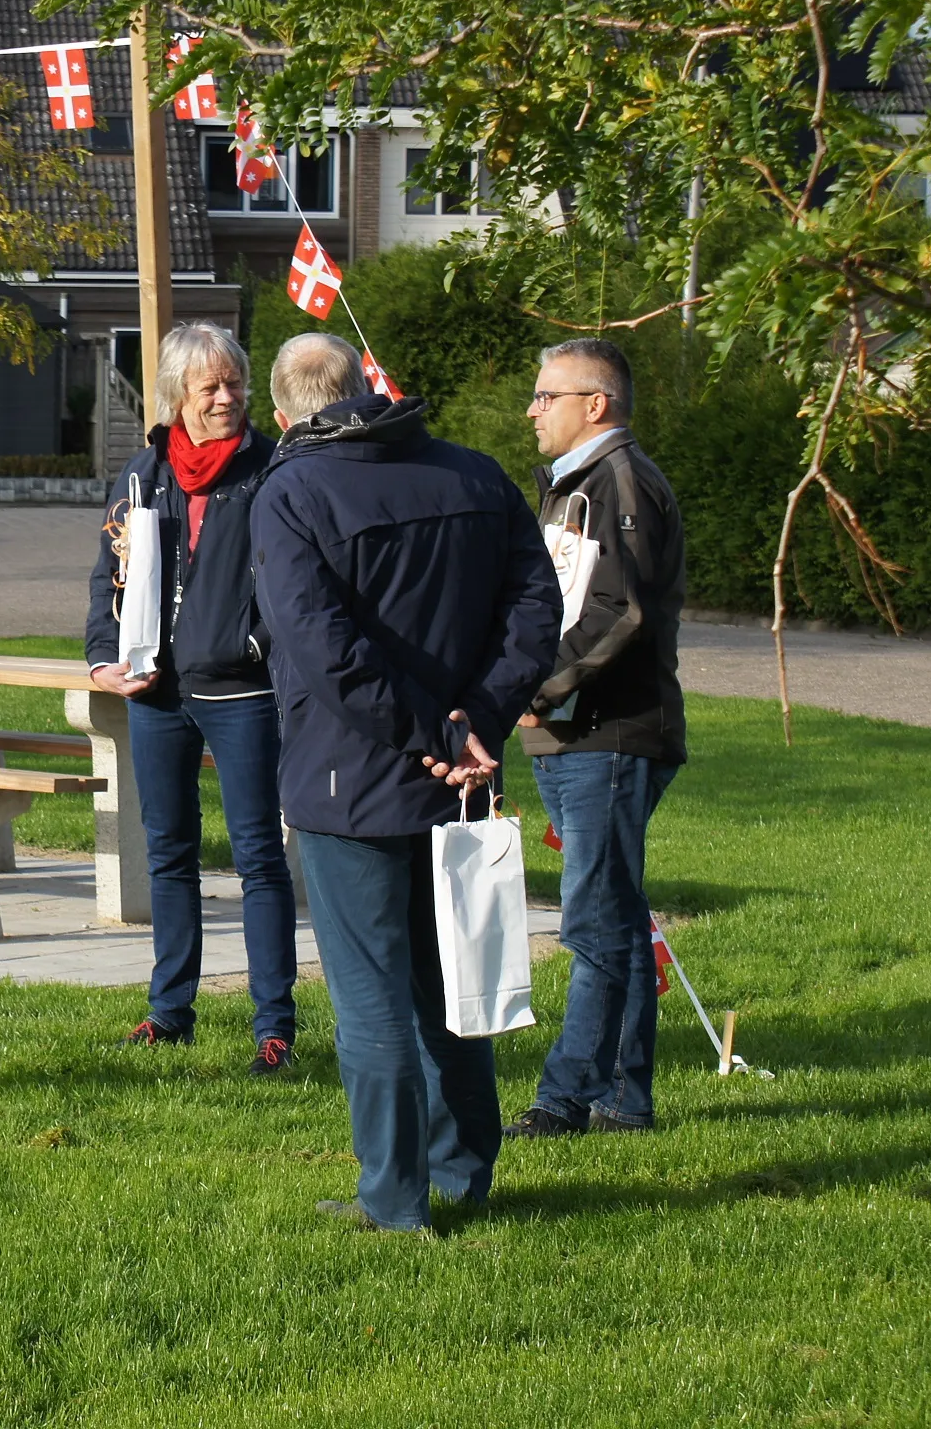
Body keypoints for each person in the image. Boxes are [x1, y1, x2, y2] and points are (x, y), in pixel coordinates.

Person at [252, 333, 559, 1233]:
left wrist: (445, 728)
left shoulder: (292, 491)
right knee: (453, 986)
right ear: (365, 389)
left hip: (352, 780)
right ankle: (462, 1174)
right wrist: (474, 721)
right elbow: (536, 611)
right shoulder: (476, 475)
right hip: (453, 772)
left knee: (374, 999)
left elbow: (319, 649)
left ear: (283, 416)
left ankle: (395, 1199)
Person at [84, 322, 300, 1074]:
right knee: (168, 854)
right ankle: (169, 1011)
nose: (226, 397)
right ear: (178, 395)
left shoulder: (274, 471)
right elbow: (105, 574)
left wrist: (259, 644)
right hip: (155, 691)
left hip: (243, 690)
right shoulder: (143, 474)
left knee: (258, 859)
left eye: (235, 383)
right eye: (209, 386)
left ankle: (274, 1026)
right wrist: (100, 659)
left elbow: (296, 581)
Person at [504, 339, 687, 1139]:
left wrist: (541, 688)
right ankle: (624, 1099)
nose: (533, 409)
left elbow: (622, 613)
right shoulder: (570, 486)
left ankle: (564, 1100)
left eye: (548, 396)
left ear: (596, 404)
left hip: (609, 732)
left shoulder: (617, 482)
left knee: (593, 925)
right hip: (575, 734)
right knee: (612, 914)